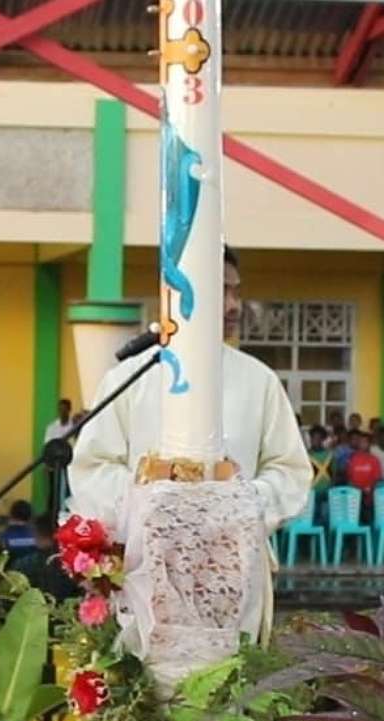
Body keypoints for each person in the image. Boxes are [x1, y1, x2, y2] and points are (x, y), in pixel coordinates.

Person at [69, 245, 312, 639]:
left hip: (233, 571)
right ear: (178, 294)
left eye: (236, 291)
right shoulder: (130, 378)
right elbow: (91, 468)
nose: (233, 305)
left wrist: (237, 504)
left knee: (233, 674)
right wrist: (155, 504)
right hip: (146, 573)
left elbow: (290, 471)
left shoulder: (259, 380)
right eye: (221, 291)